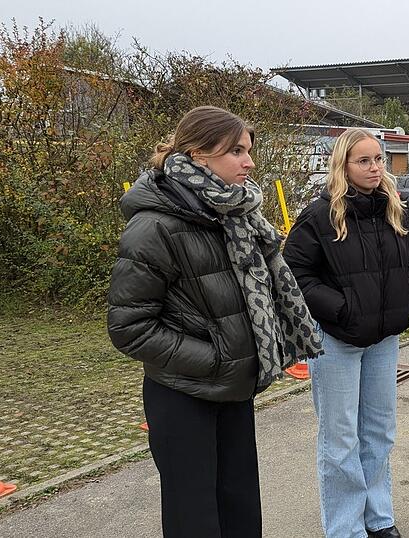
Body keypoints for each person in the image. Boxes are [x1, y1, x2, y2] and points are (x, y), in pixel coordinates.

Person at [107, 105, 322, 537]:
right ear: (198, 154)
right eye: (237, 151)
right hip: (183, 395)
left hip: (233, 389)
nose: (250, 162)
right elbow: (129, 327)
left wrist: (240, 361)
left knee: (240, 509)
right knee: (196, 518)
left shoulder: (236, 215)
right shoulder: (155, 226)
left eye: (249, 150)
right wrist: (217, 359)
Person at [283, 128, 409, 538]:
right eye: (364, 160)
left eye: (378, 158)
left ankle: (378, 518)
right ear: (343, 165)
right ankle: (345, 528)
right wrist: (340, 309)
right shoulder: (319, 215)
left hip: (384, 339)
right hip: (337, 342)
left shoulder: (393, 208)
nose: (375, 167)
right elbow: (295, 274)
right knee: (340, 439)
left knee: (378, 431)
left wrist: (407, 297)